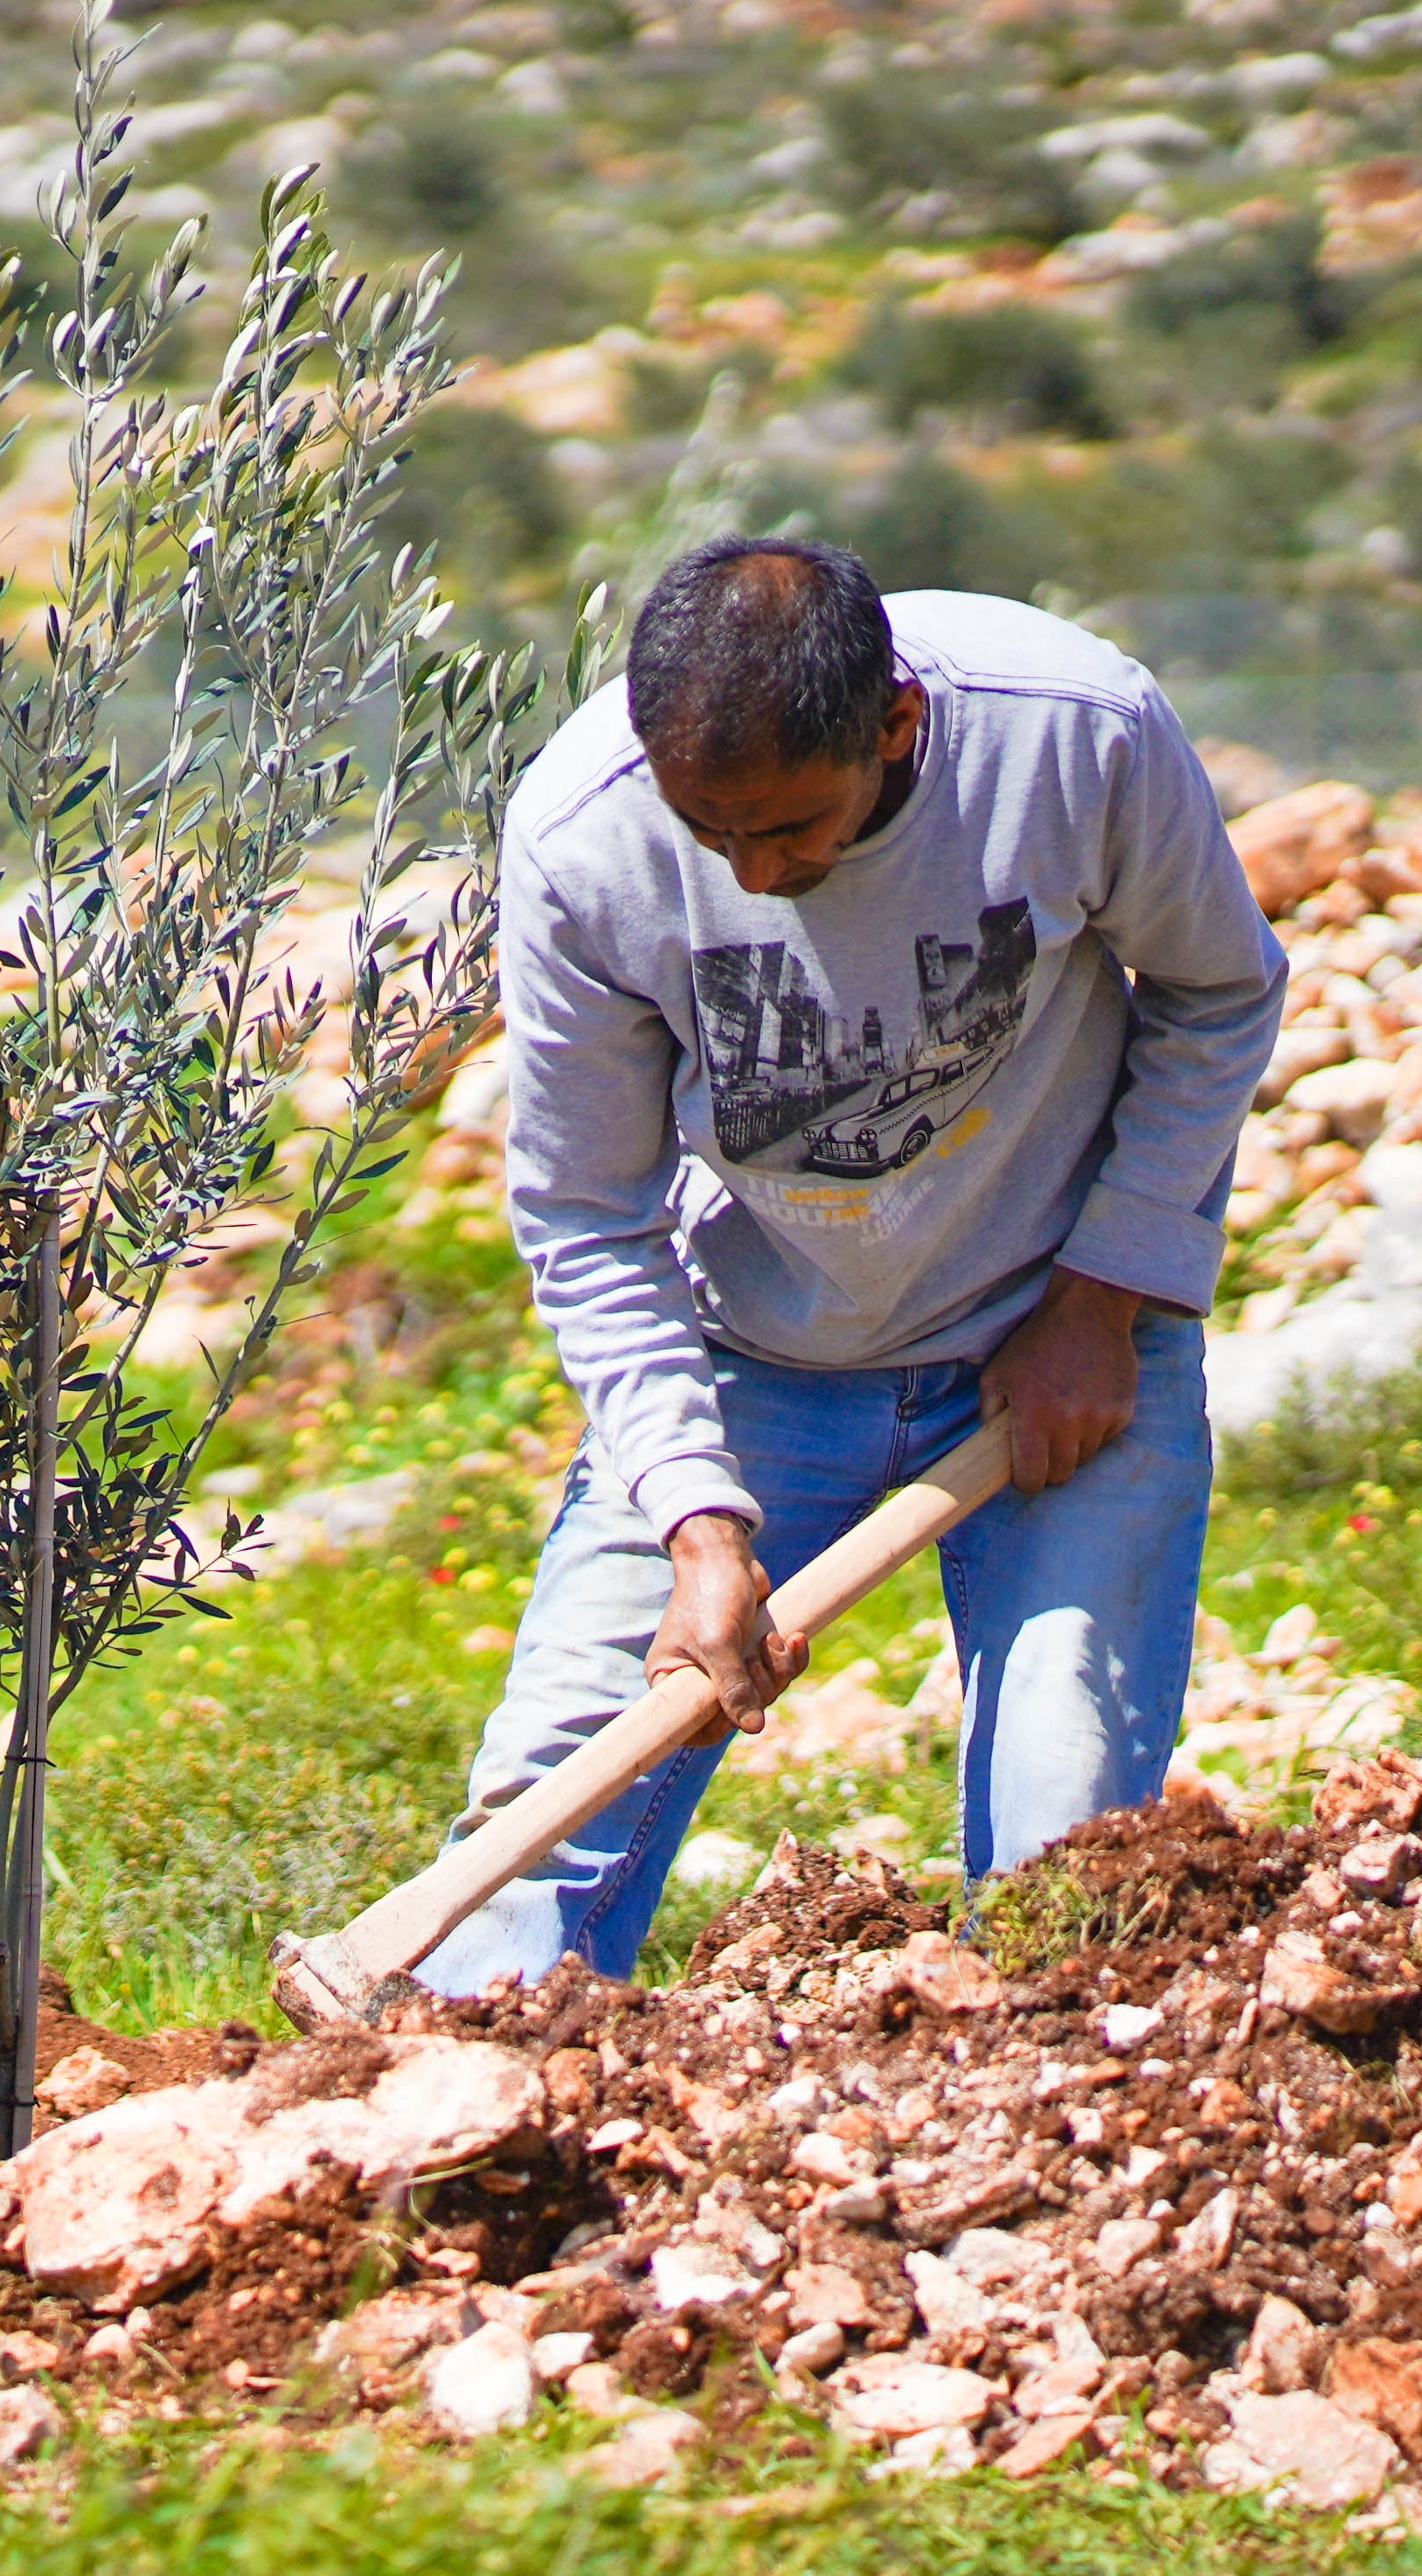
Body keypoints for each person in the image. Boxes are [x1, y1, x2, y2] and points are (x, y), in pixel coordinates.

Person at [420, 535, 1284, 1993]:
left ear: (894, 727)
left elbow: (1219, 991)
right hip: (751, 1353)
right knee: (547, 1803)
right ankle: (451, 2132)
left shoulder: (1073, 737)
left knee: (1068, 1837)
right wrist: (699, 1526)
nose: (759, 875)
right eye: (716, 834)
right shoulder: (585, 838)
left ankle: (1047, 2151)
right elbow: (585, 1212)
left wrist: (1102, 1302)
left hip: (1049, 1342)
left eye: (795, 829)